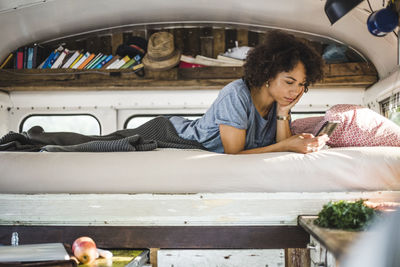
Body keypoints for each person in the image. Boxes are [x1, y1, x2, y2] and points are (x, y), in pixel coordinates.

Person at [169, 30, 328, 154]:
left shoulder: (279, 102)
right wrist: (285, 145)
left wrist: (283, 112)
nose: (296, 90)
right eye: (289, 82)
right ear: (268, 74)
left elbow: (285, 149)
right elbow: (235, 154)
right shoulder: (236, 94)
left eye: (302, 84)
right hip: (169, 134)